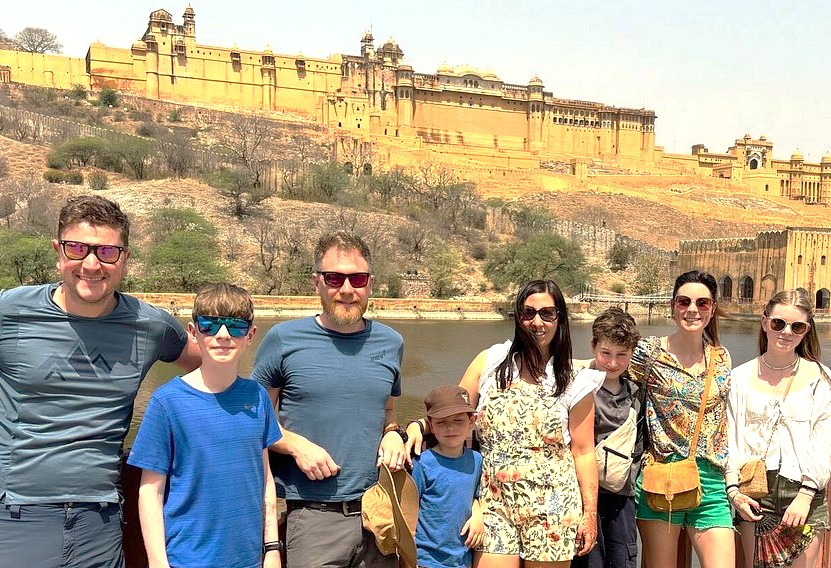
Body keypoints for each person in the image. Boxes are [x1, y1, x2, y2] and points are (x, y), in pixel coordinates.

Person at [0, 194, 201, 568]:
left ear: (124, 258)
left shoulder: (151, 325)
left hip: (102, 519)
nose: (91, 265)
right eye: (77, 249)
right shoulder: (11, 312)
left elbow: (209, 367)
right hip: (17, 514)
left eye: (107, 252)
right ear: (58, 251)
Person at [407, 279, 601, 568]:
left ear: (560, 319)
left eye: (547, 313)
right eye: (528, 313)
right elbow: (453, 411)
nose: (537, 322)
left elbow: (584, 452)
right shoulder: (492, 362)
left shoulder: (575, 382)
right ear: (518, 317)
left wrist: (589, 514)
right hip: (493, 504)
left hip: (553, 506)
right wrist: (415, 428)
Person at [251, 231, 406, 568]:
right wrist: (294, 445)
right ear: (316, 283)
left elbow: (387, 409)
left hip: (377, 514)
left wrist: (394, 431)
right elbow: (253, 416)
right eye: (335, 277)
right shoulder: (284, 339)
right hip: (313, 517)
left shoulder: (391, 342)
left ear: (370, 283)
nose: (347, 289)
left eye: (357, 278)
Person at [128, 283, 283, 568]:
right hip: (187, 559)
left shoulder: (257, 396)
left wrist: (271, 548)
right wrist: (157, 562)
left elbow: (265, 477)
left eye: (235, 327)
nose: (223, 336)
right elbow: (150, 491)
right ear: (193, 331)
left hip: (248, 559)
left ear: (250, 336)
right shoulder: (167, 402)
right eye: (210, 325)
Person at [628, 270, 734, 568]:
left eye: (702, 303)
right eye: (684, 301)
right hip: (663, 479)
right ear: (673, 306)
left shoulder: (722, 356)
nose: (692, 310)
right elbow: (604, 367)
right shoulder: (647, 353)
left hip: (711, 481)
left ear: (712, 309)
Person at [726, 289, 830, 568]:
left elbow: (824, 441)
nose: (786, 332)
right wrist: (734, 490)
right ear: (764, 323)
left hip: (804, 493)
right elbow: (733, 438)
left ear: (806, 331)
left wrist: (806, 495)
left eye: (796, 327)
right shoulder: (740, 378)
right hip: (755, 494)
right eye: (778, 323)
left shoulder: (821, 378)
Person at [571, 307, 642, 568]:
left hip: (620, 495)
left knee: (621, 557)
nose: (613, 363)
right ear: (593, 346)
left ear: (632, 353)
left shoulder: (636, 391)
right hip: (579, 491)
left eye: (622, 355)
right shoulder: (575, 382)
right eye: (606, 353)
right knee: (586, 558)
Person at [411, 385, 484, 568]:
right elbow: (408, 509)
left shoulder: (476, 460)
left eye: (458, 421)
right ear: (431, 425)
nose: (450, 428)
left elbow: (475, 495)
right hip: (426, 559)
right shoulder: (422, 463)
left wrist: (478, 514)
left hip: (463, 558)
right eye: (441, 422)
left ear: (472, 421)